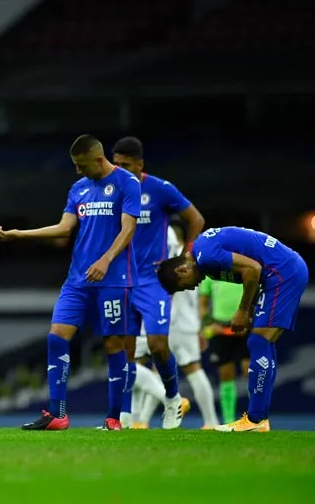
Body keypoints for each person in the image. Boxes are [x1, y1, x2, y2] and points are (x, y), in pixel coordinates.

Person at [0, 134, 140, 431]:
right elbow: (64, 229)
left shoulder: (127, 183)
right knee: (56, 336)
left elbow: (128, 230)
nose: (77, 170)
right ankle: (57, 414)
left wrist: (106, 259)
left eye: (81, 165)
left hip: (113, 279)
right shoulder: (79, 188)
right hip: (78, 279)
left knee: (114, 345)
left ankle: (114, 418)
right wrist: (20, 235)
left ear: (98, 159)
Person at [157, 226, 309, 432]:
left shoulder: (207, 258)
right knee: (264, 343)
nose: (192, 288)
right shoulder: (199, 256)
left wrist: (243, 311)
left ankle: (256, 420)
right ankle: (259, 418)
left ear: (182, 270)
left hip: (282, 273)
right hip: (282, 270)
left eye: (185, 285)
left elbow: (253, 269)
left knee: (259, 341)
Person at [111, 136, 204, 429]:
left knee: (158, 345)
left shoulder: (160, 189)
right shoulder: (110, 190)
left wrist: (184, 260)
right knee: (124, 350)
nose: (120, 170)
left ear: (140, 164)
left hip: (153, 282)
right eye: (116, 165)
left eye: (126, 165)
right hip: (122, 279)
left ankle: (173, 399)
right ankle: (122, 417)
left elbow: (196, 219)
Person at [131, 223, 216, 428]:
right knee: (188, 370)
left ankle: (141, 418)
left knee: (132, 364)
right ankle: (210, 421)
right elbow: (197, 298)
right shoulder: (193, 263)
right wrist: (198, 328)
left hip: (165, 321)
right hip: (187, 324)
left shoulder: (167, 264)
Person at [199, 275, 249, 424]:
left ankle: (257, 418)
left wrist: (250, 319)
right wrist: (207, 325)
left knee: (252, 371)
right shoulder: (210, 273)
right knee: (226, 373)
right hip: (220, 328)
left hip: (246, 326)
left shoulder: (247, 269)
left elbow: (259, 299)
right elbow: (202, 305)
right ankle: (229, 421)